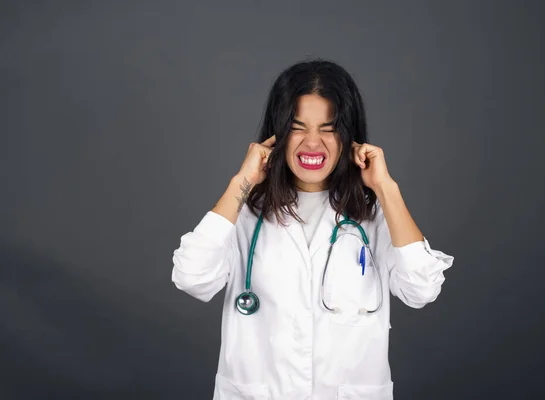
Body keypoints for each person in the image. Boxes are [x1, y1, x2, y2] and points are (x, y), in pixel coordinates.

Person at [171, 59, 454, 400]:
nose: (312, 143)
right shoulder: (244, 213)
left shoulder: (373, 216)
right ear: (277, 134)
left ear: (349, 137)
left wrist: (385, 188)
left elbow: (422, 289)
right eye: (297, 126)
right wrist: (242, 182)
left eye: (328, 128)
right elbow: (191, 277)